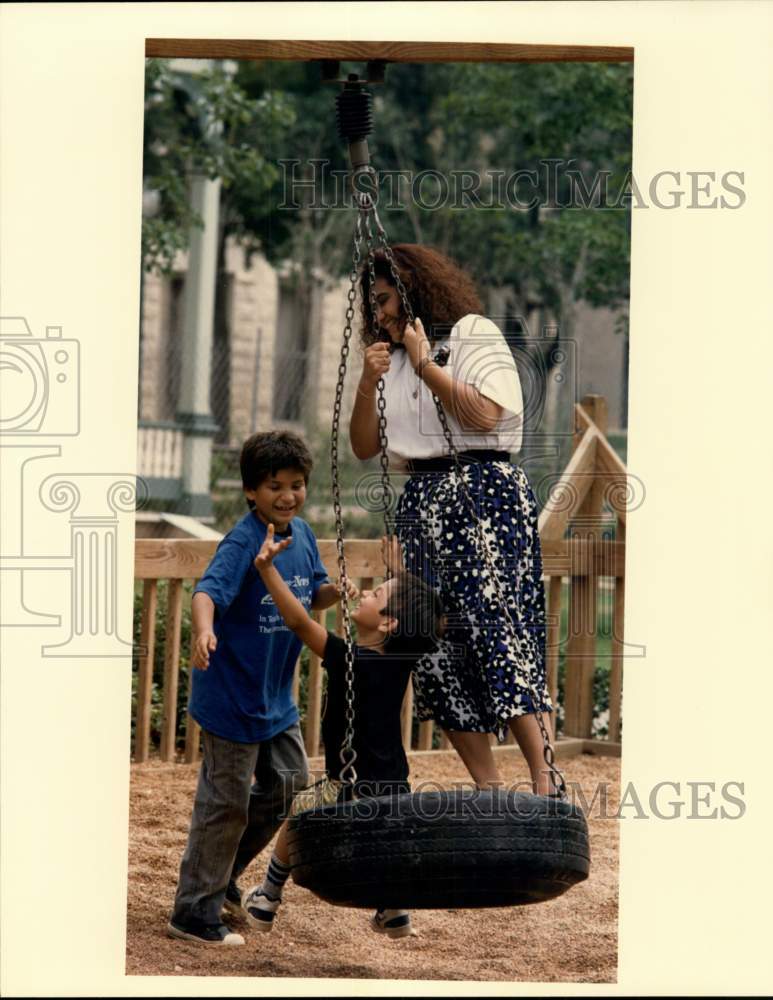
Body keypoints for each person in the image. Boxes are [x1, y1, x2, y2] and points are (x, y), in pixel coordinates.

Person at [349, 244, 555, 795]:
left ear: (414, 290)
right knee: (433, 641)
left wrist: (424, 365)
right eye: (375, 305)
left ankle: (544, 779)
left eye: (387, 300)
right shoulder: (388, 359)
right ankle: (488, 789)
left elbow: (485, 414)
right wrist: (370, 382)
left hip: (484, 490)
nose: (382, 314)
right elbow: (365, 446)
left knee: (497, 629)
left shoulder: (472, 335)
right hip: (424, 496)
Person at [168, 430, 354, 947]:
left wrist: (334, 592)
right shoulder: (244, 540)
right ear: (252, 491)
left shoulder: (304, 536)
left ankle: (223, 874)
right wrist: (204, 630)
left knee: (290, 784)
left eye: (296, 485)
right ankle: (193, 912)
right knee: (225, 803)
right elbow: (208, 591)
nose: (287, 495)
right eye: (275, 486)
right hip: (231, 698)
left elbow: (312, 594)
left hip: (276, 700)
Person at [240, 524, 444, 940]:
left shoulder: (347, 657)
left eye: (376, 595)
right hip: (394, 786)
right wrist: (400, 574)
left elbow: (298, 620)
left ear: (387, 624)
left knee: (298, 812)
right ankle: (394, 910)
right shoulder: (401, 659)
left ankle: (267, 897)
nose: (366, 593)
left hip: (344, 784)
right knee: (389, 842)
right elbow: (421, 619)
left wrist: (267, 571)